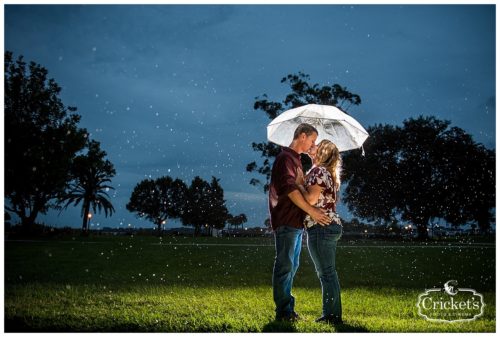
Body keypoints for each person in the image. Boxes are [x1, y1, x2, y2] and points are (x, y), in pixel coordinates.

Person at [269, 123, 331, 322]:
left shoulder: (295, 160)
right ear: (302, 136)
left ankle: (287, 310)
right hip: (286, 219)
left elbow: (299, 187)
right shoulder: (285, 158)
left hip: (295, 222)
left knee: (291, 265)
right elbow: (289, 188)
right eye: (312, 140)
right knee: (285, 266)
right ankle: (284, 312)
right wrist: (312, 210)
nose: (313, 144)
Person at [297, 139, 343, 325]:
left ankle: (332, 316)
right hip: (329, 226)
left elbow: (310, 200)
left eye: (317, 146)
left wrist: (299, 182)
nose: (312, 147)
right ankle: (333, 314)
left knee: (326, 273)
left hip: (321, 227)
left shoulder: (318, 171)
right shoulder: (327, 173)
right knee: (328, 272)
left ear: (322, 153)